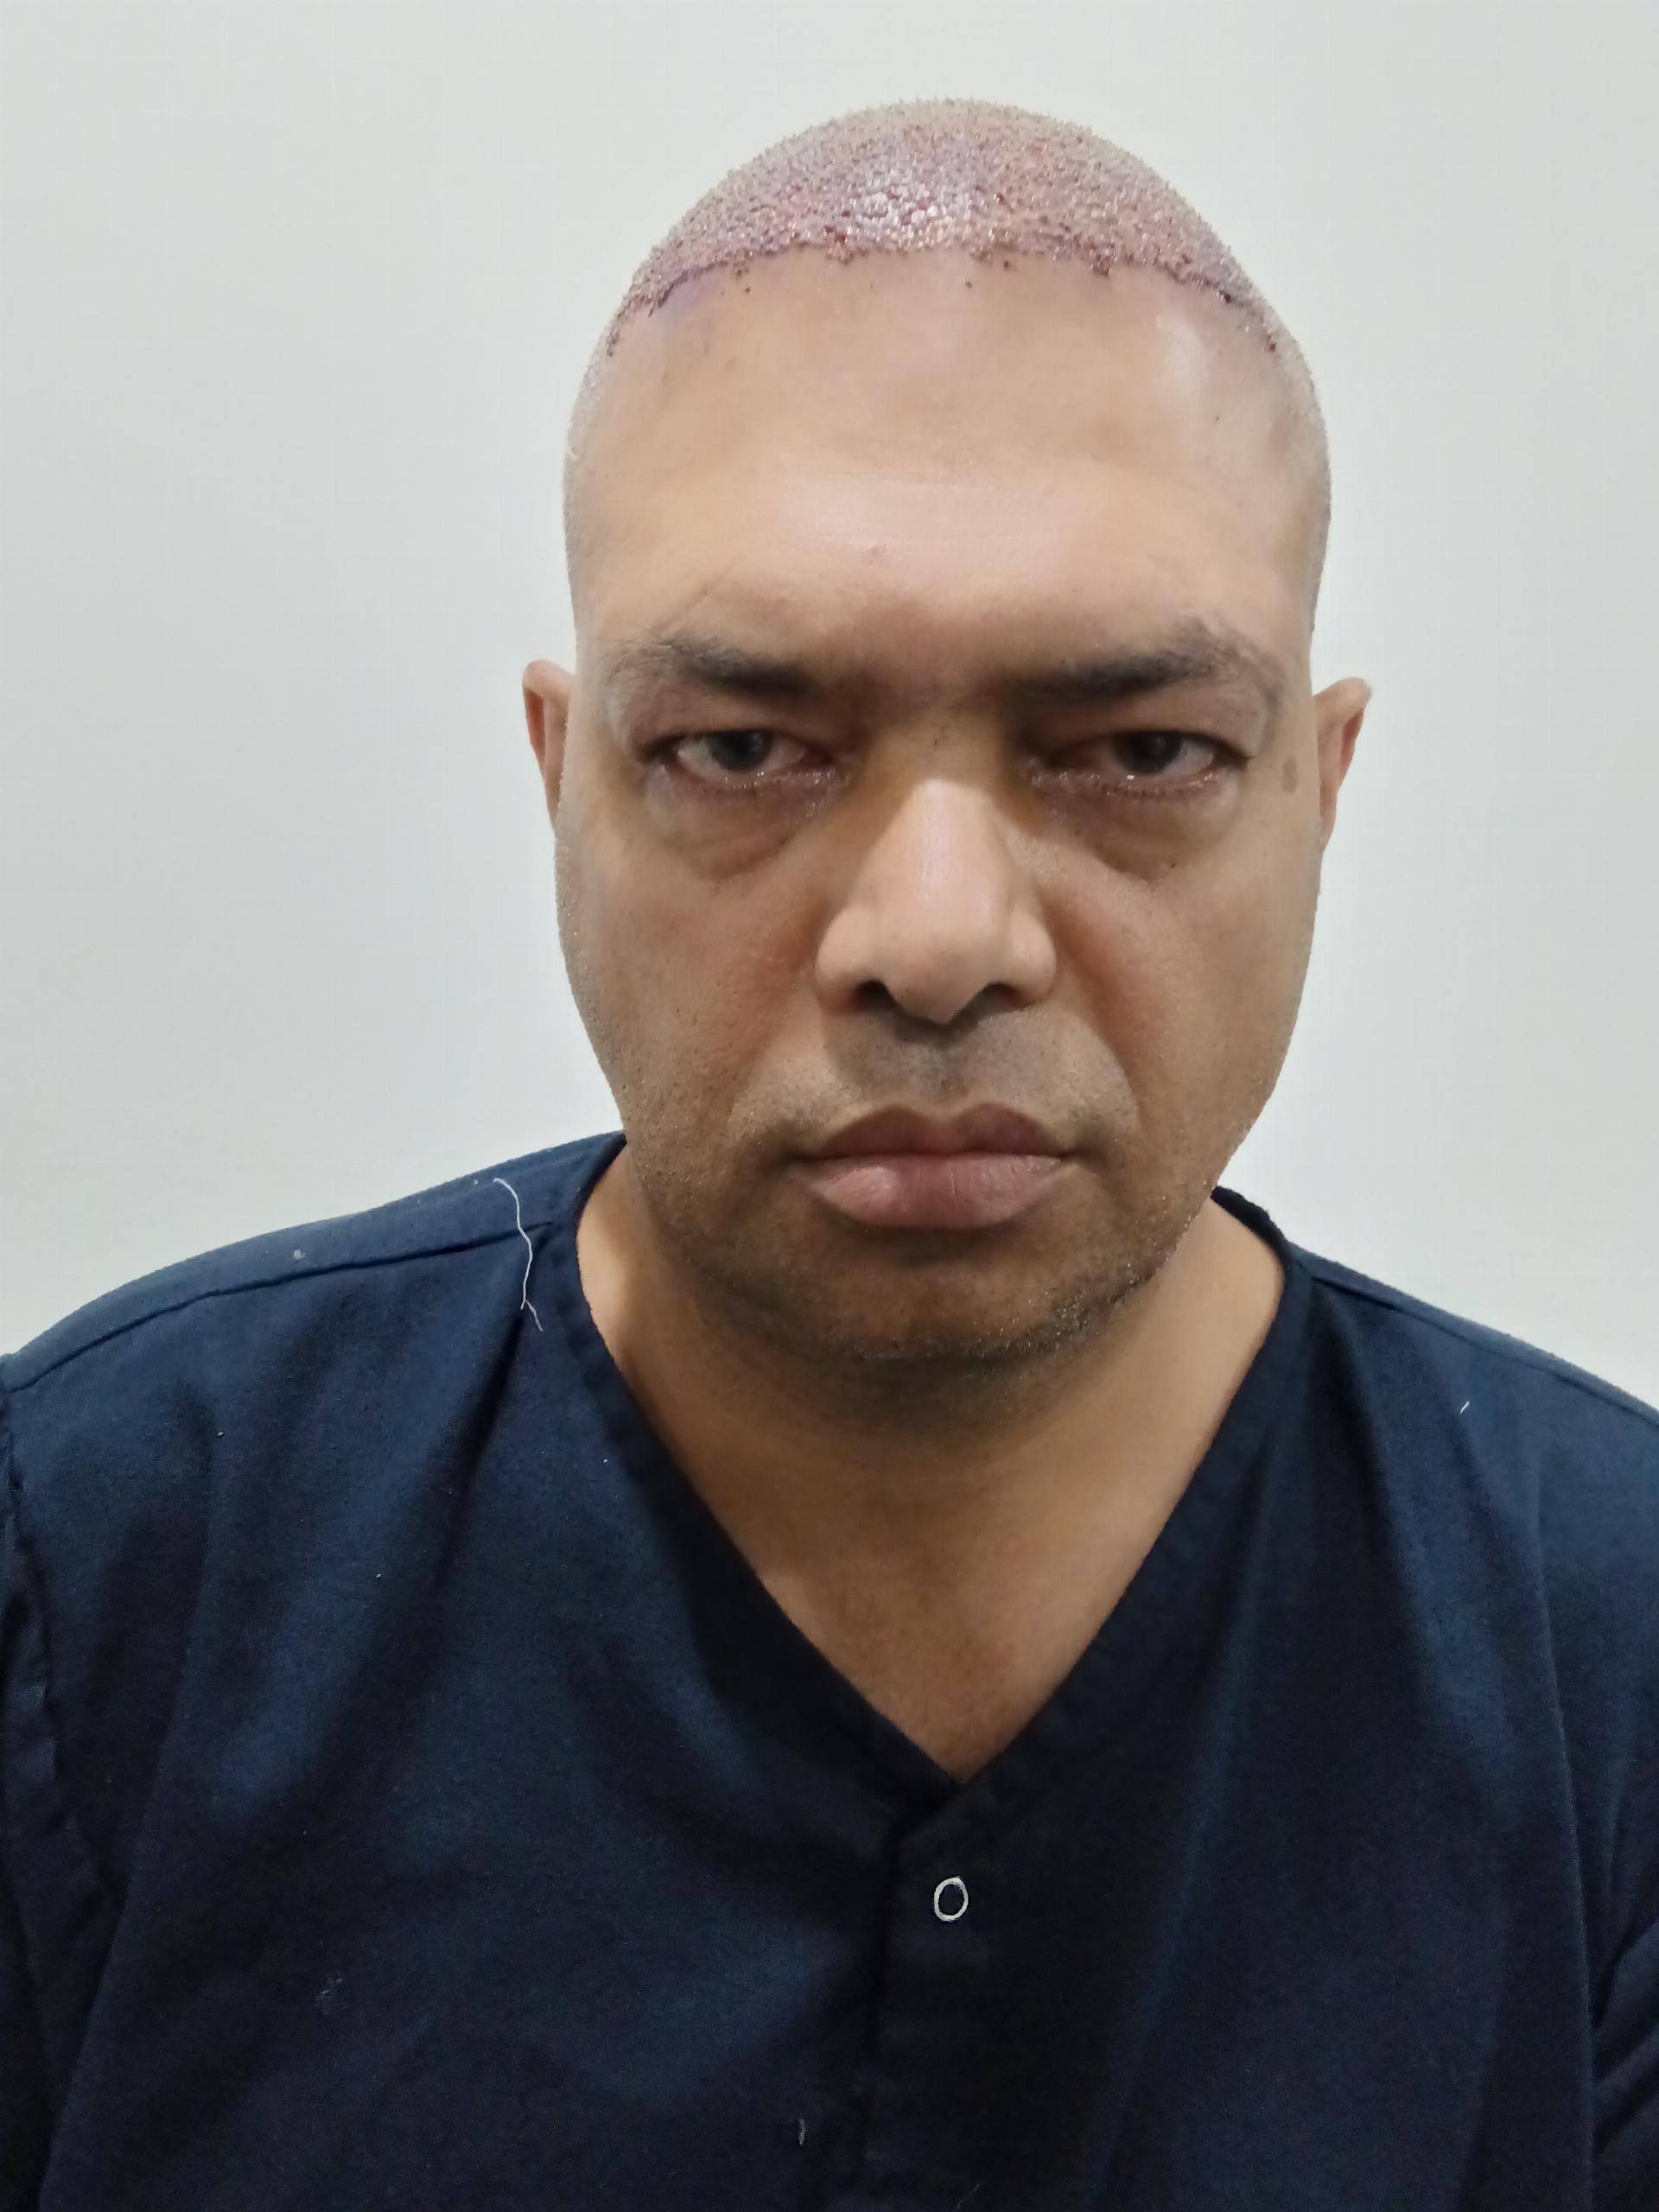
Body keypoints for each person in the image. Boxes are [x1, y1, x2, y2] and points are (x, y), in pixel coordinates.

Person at [2, 97, 1654, 2212]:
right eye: (743, 747)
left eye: (1143, 747)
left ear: (1317, 795)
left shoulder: (1611, 1676)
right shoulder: (103, 1574)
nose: (937, 937)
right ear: (563, 781)